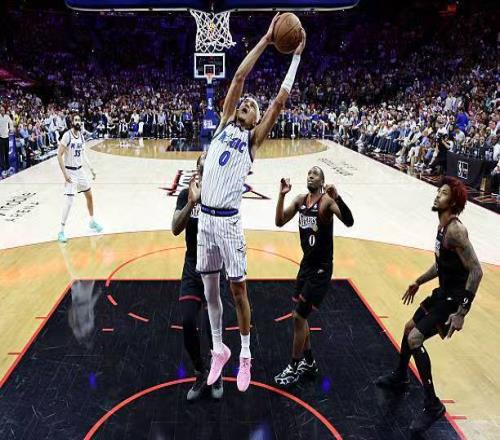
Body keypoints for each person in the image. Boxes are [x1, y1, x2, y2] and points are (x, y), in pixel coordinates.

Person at [197, 13, 306, 392]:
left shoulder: (252, 140)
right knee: (210, 293)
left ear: (257, 119)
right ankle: (219, 349)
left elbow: (279, 100)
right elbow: (239, 78)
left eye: (251, 106)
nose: (245, 103)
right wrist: (265, 38)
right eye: (243, 103)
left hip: (228, 222)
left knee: (238, 291)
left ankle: (244, 354)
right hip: (204, 220)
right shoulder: (224, 123)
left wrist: (295, 56)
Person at [376, 176, 483, 435]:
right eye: (438, 191)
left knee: (415, 339)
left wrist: (462, 313)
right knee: (408, 328)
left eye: (443, 193)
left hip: (453, 300)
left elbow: (476, 271)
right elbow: (441, 264)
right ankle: (401, 377)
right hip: (442, 294)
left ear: (453, 202)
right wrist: (419, 281)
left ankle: (433, 404)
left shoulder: (456, 231)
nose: (437, 195)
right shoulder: (442, 227)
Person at [273, 167, 354, 386]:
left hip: (321, 269)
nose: (310, 175)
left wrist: (339, 198)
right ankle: (308, 361)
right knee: (301, 317)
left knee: (299, 317)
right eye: (309, 173)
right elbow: (279, 221)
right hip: (306, 265)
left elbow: (349, 221)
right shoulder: (300, 200)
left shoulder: (326, 202)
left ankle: (293, 367)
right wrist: (282, 196)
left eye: (315, 174)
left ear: (322, 181)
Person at [171, 153, 224, 401]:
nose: (204, 173)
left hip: (213, 264)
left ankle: (216, 370)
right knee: (188, 320)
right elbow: (175, 228)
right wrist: (192, 203)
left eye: (208, 169)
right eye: (201, 169)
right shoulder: (185, 194)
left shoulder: (220, 195)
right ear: (197, 171)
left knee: (213, 326)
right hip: (192, 265)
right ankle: (200, 370)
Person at [57, 114, 103, 243]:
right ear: (72, 122)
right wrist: (65, 174)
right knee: (69, 202)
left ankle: (92, 222)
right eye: (76, 120)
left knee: (89, 196)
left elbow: (83, 154)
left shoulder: (81, 136)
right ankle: (61, 231)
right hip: (70, 172)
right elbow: (59, 155)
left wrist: (92, 169)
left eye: (79, 120)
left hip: (80, 171)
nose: (78, 122)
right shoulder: (67, 136)